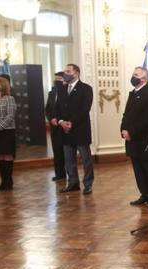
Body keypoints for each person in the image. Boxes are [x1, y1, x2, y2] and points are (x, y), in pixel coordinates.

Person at [121, 67, 148, 208]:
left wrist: (131, 132)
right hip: (132, 140)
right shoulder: (133, 93)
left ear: (144, 78)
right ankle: (145, 194)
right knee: (138, 169)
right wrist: (123, 130)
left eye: (136, 75)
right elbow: (126, 114)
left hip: (145, 140)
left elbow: (147, 120)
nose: (133, 77)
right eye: (133, 74)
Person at [53, 63, 94, 195]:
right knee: (69, 159)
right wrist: (61, 122)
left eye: (68, 71)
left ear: (76, 73)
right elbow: (57, 108)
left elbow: (85, 108)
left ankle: (88, 184)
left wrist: (71, 122)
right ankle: (73, 183)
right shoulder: (61, 89)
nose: (65, 73)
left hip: (80, 129)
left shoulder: (86, 89)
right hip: (65, 130)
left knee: (86, 159)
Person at [46, 71, 67, 181]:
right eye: (55, 78)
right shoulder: (51, 93)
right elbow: (48, 108)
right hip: (54, 126)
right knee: (57, 151)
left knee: (66, 152)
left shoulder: (67, 91)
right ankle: (59, 174)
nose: (56, 80)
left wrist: (59, 120)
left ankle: (69, 174)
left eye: (59, 78)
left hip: (64, 126)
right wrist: (51, 119)